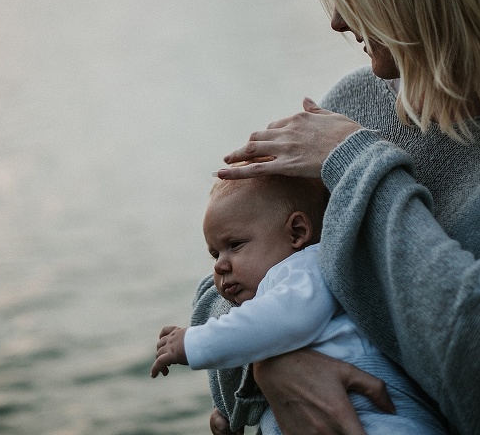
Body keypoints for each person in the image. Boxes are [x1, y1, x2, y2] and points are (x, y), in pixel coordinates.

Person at [209, 0, 480, 434]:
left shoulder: (344, 143)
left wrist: (357, 166)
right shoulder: (357, 103)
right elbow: (224, 279)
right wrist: (269, 365)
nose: (336, 18)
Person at [151, 175, 447, 434]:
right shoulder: (271, 289)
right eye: (215, 254)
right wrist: (229, 412)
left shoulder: (306, 268)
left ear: (297, 233)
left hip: (382, 419)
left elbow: (276, 324)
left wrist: (192, 342)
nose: (220, 266)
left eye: (235, 245)